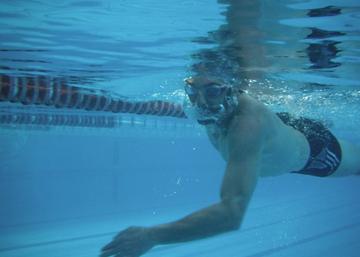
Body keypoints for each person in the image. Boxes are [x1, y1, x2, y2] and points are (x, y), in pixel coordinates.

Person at [99, 76, 360, 257]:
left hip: (316, 152)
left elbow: (231, 214)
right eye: (193, 90)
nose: (200, 102)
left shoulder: (246, 127)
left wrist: (152, 236)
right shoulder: (213, 106)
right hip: (283, 125)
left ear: (232, 89)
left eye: (212, 91)